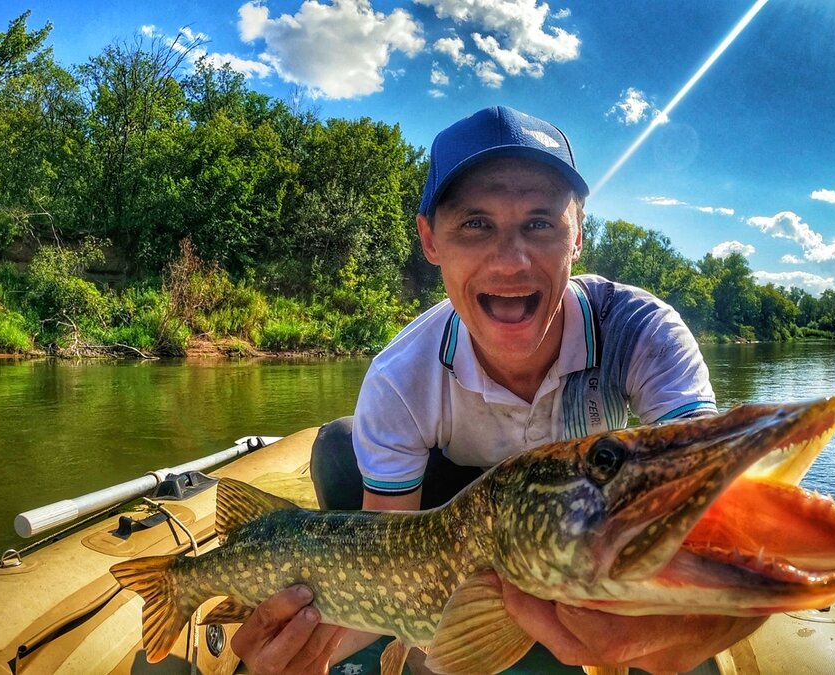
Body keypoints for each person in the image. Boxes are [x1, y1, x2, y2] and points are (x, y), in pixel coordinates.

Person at [231, 106, 764, 674]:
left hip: (581, 517)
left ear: (577, 236)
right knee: (339, 448)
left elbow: (707, 487)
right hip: (452, 520)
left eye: (540, 223)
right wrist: (303, 654)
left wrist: (739, 587)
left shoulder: (642, 333)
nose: (511, 262)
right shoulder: (399, 378)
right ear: (431, 239)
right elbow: (386, 556)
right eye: (475, 225)